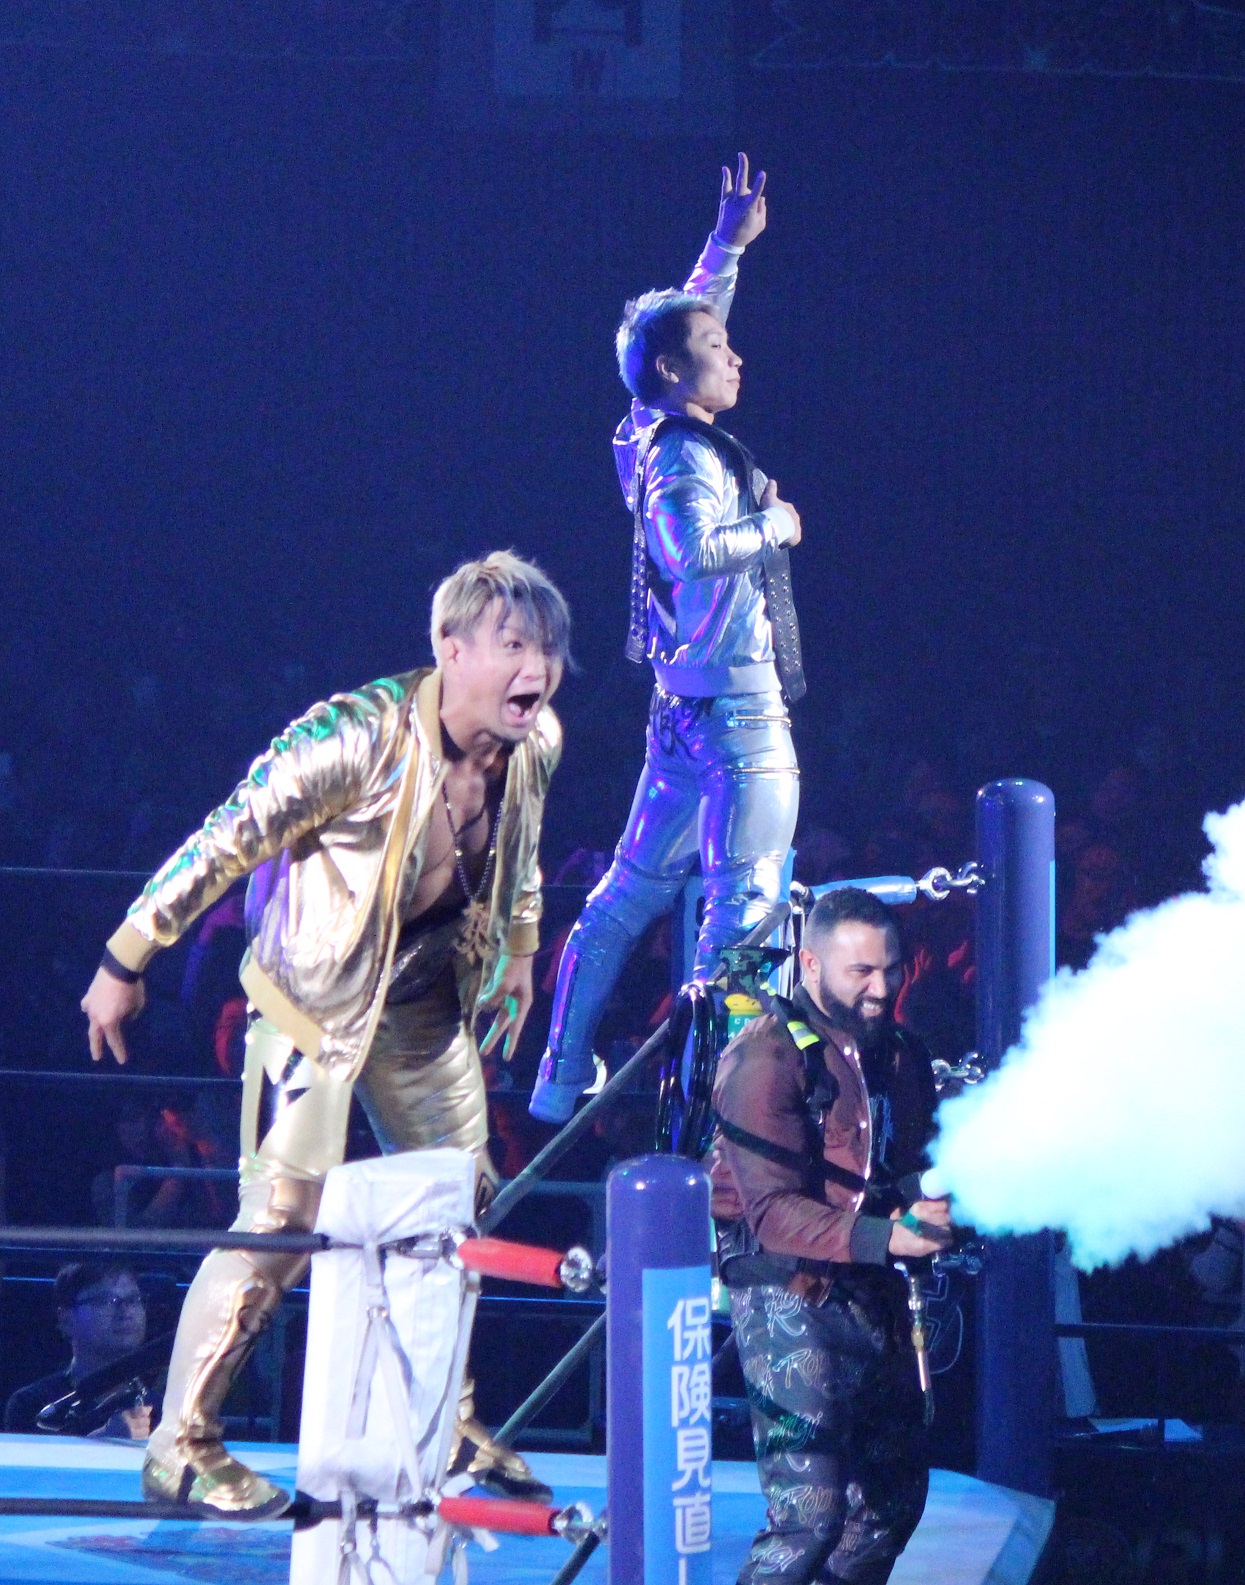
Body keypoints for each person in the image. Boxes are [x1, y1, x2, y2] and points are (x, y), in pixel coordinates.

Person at [80, 551, 568, 1518]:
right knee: (280, 1223)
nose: (539, 667)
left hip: (423, 1003)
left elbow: (523, 850)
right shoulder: (355, 734)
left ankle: (444, 1424)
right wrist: (123, 957)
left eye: (549, 648)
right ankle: (180, 1444)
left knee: (454, 1208)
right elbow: (229, 835)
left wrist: (518, 947)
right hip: (313, 1004)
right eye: (515, 644)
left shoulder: (535, 742)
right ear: (451, 648)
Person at [531, 152, 806, 1124]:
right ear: (673, 372)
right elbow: (690, 553)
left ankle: (560, 1072)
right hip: (737, 715)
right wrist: (774, 525)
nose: (735, 357)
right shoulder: (685, 457)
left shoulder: (643, 430)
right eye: (717, 348)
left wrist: (725, 248)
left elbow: (679, 328)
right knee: (745, 912)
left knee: (629, 893)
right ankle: (723, 1110)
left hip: (684, 712)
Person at [709, 887, 952, 1585]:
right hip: (786, 1286)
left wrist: (935, 1204)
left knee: (889, 1503)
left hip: (872, 1283)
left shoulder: (903, 1053)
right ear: (811, 964)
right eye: (861, 972)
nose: (881, 988)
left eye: (891, 969)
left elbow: (906, 1167)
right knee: (807, 1518)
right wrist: (889, 1237)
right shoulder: (764, 1058)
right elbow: (771, 1213)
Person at [4, 1263, 152, 1439]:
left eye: (133, 1300)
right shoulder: (33, 1406)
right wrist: (104, 1440)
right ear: (66, 1319)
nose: (126, 1312)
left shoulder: (167, 1401)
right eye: (105, 1301)